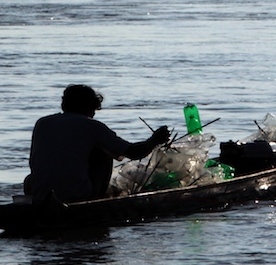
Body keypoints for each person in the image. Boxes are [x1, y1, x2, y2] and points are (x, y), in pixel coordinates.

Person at [23, 84, 169, 203]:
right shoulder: (92, 126)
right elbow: (133, 153)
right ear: (91, 106)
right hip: (75, 194)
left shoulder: (42, 123)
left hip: (39, 193)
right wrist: (155, 140)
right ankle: (94, 200)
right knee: (103, 152)